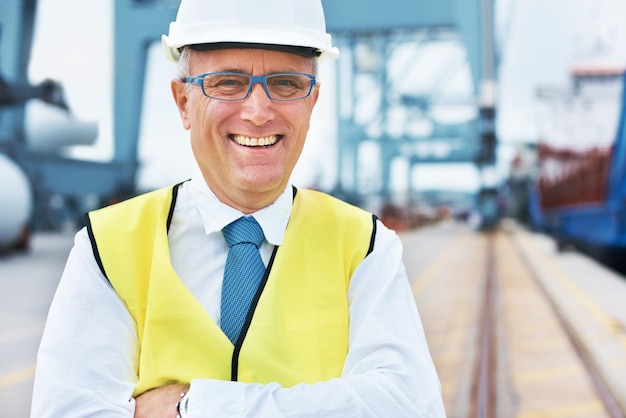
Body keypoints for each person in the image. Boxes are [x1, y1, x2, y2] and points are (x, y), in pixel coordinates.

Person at [31, 0, 446, 416]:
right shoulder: (108, 248)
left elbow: (410, 407)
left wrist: (192, 408)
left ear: (312, 102)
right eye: (228, 82)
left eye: (285, 84)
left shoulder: (366, 247)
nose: (258, 112)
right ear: (182, 103)